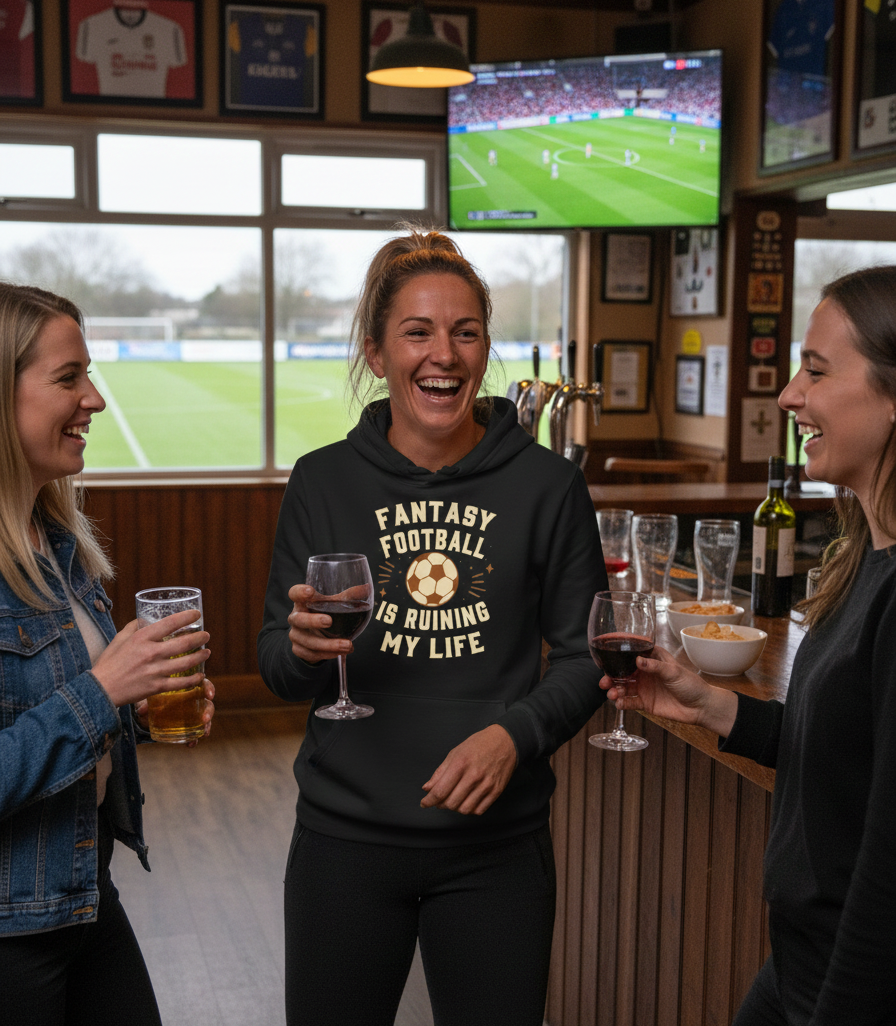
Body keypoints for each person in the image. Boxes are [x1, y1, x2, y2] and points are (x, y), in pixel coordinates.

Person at [257, 226, 608, 1026]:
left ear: (486, 351)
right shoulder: (322, 480)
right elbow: (277, 663)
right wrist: (304, 650)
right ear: (378, 355)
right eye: (416, 332)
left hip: (497, 850)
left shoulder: (548, 486)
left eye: (465, 331)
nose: (442, 353)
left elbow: (586, 655)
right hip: (344, 845)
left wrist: (513, 736)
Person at [603, 265, 896, 1026]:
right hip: (798, 966)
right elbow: (848, 760)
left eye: (818, 371)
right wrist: (719, 710)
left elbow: (888, 869)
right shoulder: (866, 558)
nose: (790, 395)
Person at [0, 283, 215, 1025]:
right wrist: (102, 692)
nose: (93, 398)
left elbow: (63, 706)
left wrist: (141, 708)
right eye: (68, 378)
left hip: (83, 887)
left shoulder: (54, 539)